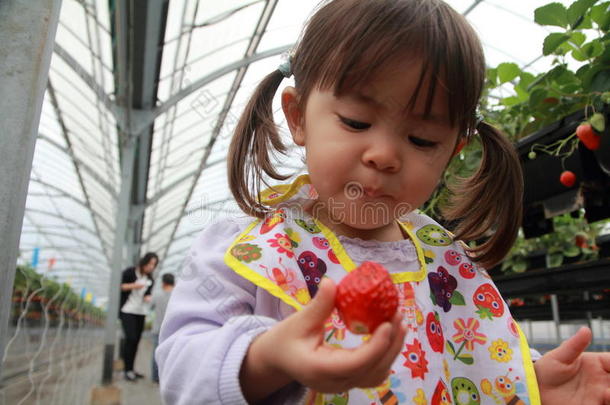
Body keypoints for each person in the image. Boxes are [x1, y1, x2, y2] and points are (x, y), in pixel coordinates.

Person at [156, 0, 610, 404]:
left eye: (421, 139)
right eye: (355, 122)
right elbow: (181, 367)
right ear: (297, 117)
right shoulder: (251, 248)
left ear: (452, 152)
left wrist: (532, 384)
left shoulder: (445, 260)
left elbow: (475, 355)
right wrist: (265, 359)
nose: (385, 156)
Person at [120, 252, 157, 382]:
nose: (151, 267)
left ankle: (131, 369)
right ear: (144, 262)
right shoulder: (130, 272)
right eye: (150, 263)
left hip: (140, 312)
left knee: (136, 341)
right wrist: (135, 285)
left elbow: (147, 295)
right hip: (127, 310)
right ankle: (126, 370)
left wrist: (150, 298)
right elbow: (121, 286)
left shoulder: (150, 280)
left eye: (154, 264)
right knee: (130, 338)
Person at [151, 273, 175, 384]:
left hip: (157, 329)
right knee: (171, 354)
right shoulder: (177, 294)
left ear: (163, 282)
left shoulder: (157, 294)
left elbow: (150, 306)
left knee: (156, 354)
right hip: (173, 330)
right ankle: (169, 378)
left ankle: (156, 378)